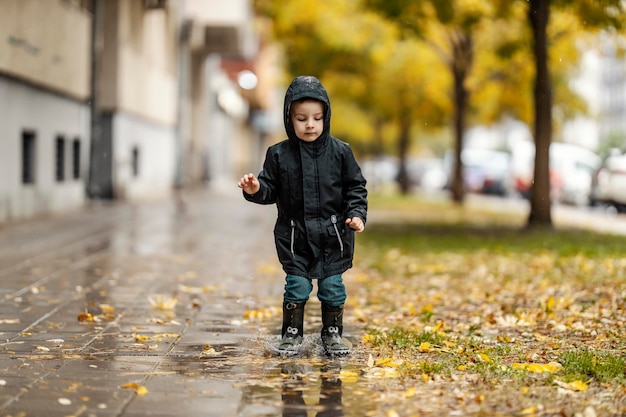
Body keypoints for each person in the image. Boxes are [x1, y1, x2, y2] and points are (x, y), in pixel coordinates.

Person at [237, 75, 368, 356]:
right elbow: (269, 189)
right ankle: (292, 332)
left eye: (317, 118)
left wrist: (357, 214)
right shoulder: (279, 155)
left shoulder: (341, 153)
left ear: (326, 117)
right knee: (296, 285)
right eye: (301, 118)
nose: (310, 124)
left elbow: (355, 187)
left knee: (333, 286)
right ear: (289, 118)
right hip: (295, 236)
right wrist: (256, 188)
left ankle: (332, 332)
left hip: (333, 235)